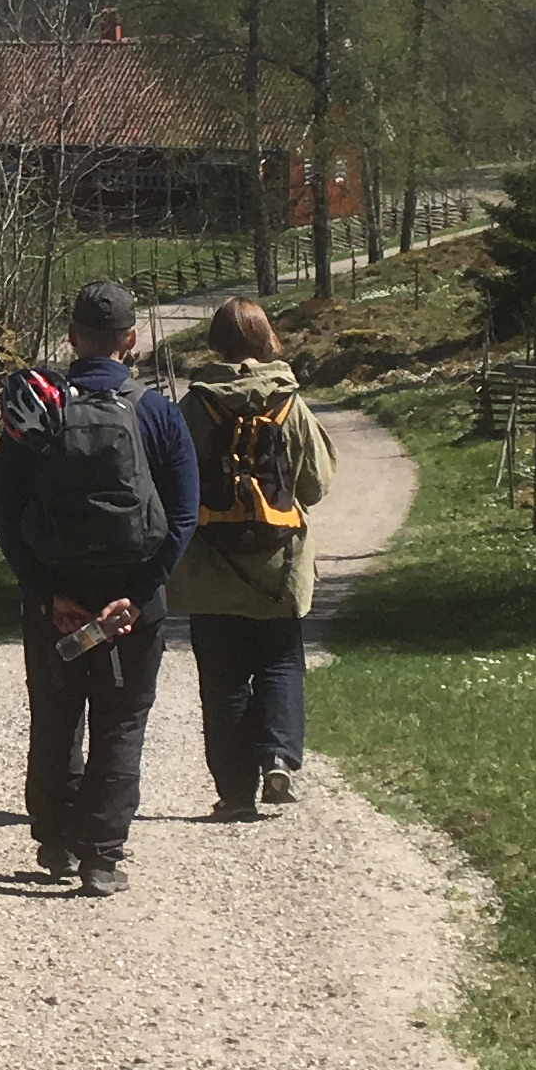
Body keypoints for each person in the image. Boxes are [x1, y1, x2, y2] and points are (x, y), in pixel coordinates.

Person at [0, 276, 196, 897]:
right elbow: (184, 513)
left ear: (74, 337)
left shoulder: (36, 412)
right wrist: (141, 591)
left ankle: (54, 838)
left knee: (55, 718)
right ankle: (100, 857)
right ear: (130, 341)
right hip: (134, 602)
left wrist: (44, 592)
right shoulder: (157, 412)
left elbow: (6, 509)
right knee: (122, 721)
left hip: (57, 599)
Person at [167, 297, 338, 822]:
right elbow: (318, 483)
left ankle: (235, 791)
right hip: (278, 567)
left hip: (209, 566)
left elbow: (172, 483)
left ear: (215, 343)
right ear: (266, 339)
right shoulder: (290, 404)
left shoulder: (194, 406)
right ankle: (278, 758)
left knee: (221, 679)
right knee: (280, 662)